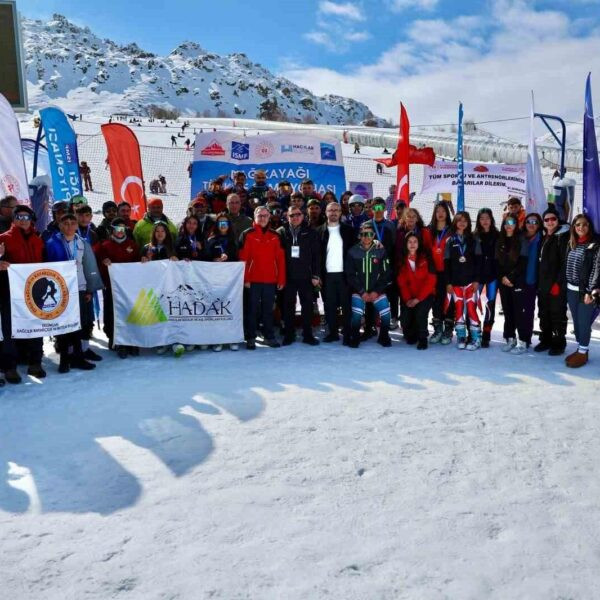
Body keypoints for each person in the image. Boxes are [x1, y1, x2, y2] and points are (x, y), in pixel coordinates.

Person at [45, 213, 104, 372]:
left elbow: (89, 266)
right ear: (60, 225)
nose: (69, 226)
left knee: (79, 324)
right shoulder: (52, 243)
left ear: (77, 225)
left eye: (73, 223)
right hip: (61, 290)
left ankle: (78, 357)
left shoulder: (82, 243)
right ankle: (65, 358)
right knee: (64, 326)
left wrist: (89, 289)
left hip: (79, 287)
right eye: (66, 223)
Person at [0, 205, 46, 382]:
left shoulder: (38, 239)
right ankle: (9, 367)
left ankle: (35, 362)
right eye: (19, 216)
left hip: (35, 292)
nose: (23, 220)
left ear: (31, 220)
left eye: (26, 217)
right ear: (13, 219)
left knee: (36, 325)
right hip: (10, 292)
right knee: (9, 330)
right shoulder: (3, 238)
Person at [238, 206, 286, 350]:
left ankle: (269, 336)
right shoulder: (247, 234)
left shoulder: (275, 235)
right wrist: (245, 279)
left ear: (269, 217)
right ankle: (251, 337)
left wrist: (281, 279)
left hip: (270, 280)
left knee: (268, 310)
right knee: (252, 309)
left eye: (265, 215)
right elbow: (243, 259)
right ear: (255, 217)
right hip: (252, 280)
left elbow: (280, 259)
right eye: (260, 215)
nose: (263, 218)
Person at [95, 218, 140, 358]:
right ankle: (115, 338)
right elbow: (99, 263)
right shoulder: (105, 245)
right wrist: (104, 262)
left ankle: (132, 340)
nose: (120, 232)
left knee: (130, 312)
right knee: (112, 313)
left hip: (129, 288)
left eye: (122, 229)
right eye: (117, 229)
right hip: (112, 287)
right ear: (112, 230)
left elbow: (138, 264)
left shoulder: (132, 245)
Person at [278, 206, 321, 346]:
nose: (295, 217)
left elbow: (316, 256)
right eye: (292, 215)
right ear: (287, 216)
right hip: (288, 276)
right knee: (288, 306)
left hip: (306, 276)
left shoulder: (310, 232)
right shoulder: (281, 232)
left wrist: (315, 275)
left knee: (307, 306)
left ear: (302, 216)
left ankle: (307, 334)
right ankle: (289, 335)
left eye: (298, 214)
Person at [345, 221, 392, 348]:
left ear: (374, 236)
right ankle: (355, 337)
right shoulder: (352, 251)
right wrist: (361, 291)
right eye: (364, 234)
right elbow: (350, 275)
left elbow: (386, 273)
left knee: (386, 313)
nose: (367, 237)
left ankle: (383, 336)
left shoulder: (380, 251)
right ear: (359, 235)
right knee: (356, 314)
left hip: (376, 291)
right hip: (359, 291)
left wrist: (376, 291)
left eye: (370, 234)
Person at [563, 214, 600, 368]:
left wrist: (591, 290)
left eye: (585, 224)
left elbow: (596, 269)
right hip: (571, 289)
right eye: (578, 224)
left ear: (589, 226)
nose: (581, 227)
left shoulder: (595, 244)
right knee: (577, 324)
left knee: (584, 323)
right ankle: (581, 349)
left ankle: (583, 353)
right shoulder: (572, 243)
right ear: (574, 227)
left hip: (585, 291)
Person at [318, 202, 355, 344]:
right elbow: (316, 256)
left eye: (336, 210)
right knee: (330, 306)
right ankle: (333, 333)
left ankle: (347, 334)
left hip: (344, 275)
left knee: (346, 306)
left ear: (341, 213)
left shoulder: (349, 231)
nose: (333, 212)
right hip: (327, 275)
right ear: (326, 212)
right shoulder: (319, 231)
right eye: (330, 210)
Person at [444, 211, 481, 350]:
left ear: (468, 223)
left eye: (465, 220)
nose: (462, 223)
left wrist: (477, 280)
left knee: (471, 309)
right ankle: (461, 336)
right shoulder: (450, 241)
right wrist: (448, 282)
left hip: (471, 282)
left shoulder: (474, 239)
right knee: (458, 309)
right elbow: (446, 264)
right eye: (459, 220)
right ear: (455, 222)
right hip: (456, 282)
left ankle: (476, 338)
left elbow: (478, 262)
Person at [205, 213, 240, 352]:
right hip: (215, 280)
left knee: (231, 309)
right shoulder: (212, 240)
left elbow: (238, 258)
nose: (223, 225)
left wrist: (229, 257)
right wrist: (214, 260)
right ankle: (217, 338)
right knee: (216, 309)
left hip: (231, 282)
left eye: (225, 222)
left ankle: (232, 338)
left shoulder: (234, 240)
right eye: (220, 222)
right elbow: (205, 258)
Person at [536, 206, 569, 355]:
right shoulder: (544, 236)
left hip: (556, 284)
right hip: (543, 283)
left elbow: (565, 263)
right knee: (544, 312)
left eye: (553, 219)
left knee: (557, 314)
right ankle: (546, 339)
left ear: (558, 220)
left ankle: (558, 343)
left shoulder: (562, 237)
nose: (550, 222)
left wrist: (558, 283)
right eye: (547, 219)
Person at [397, 232, 436, 349]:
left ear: (419, 244)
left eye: (415, 242)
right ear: (406, 244)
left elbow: (431, 281)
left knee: (420, 312)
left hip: (425, 295)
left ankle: (423, 337)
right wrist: (408, 299)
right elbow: (402, 283)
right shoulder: (402, 260)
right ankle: (412, 332)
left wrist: (418, 299)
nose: (412, 244)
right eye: (410, 242)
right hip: (409, 296)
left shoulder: (426, 258)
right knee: (405, 319)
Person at [496, 215, 527, 353]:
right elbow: (496, 262)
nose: (509, 225)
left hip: (517, 280)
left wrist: (511, 277)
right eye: (506, 223)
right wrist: (502, 277)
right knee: (507, 311)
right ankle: (510, 338)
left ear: (516, 225)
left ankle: (523, 341)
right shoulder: (500, 240)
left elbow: (523, 262)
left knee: (518, 311)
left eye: (512, 223)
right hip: (503, 281)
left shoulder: (521, 239)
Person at [427, 202, 454, 344]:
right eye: (438, 210)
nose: (441, 213)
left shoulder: (452, 230)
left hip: (447, 272)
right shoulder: (428, 230)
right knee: (436, 300)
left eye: (443, 211)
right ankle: (437, 328)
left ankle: (448, 329)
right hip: (433, 272)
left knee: (448, 300)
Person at [370, 198, 398, 328]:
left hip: (387, 264)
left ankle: (393, 317)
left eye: (381, 207)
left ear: (385, 209)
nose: (378, 210)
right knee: (374, 290)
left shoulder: (390, 225)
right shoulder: (367, 225)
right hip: (371, 265)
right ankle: (374, 319)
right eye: (375, 208)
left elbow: (394, 245)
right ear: (371, 209)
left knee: (390, 291)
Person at [473, 208, 499, 348]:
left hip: (493, 275)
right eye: (482, 218)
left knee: (490, 304)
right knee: (473, 304)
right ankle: (474, 331)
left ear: (491, 219)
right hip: (478, 276)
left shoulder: (497, 235)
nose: (485, 221)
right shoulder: (474, 235)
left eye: (487, 218)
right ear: (478, 220)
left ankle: (486, 333)